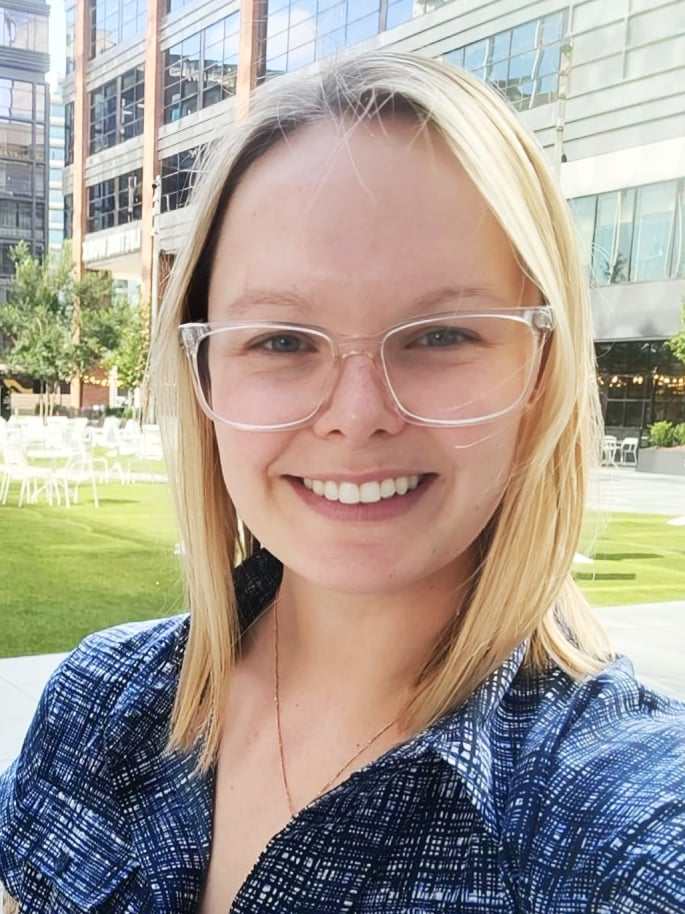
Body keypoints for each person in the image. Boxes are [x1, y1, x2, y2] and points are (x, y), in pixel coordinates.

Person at [1, 48, 684, 914]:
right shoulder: (103, 700)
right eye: (281, 341)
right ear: (205, 378)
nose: (356, 415)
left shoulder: (613, 816)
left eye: (441, 335)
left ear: (544, 371)